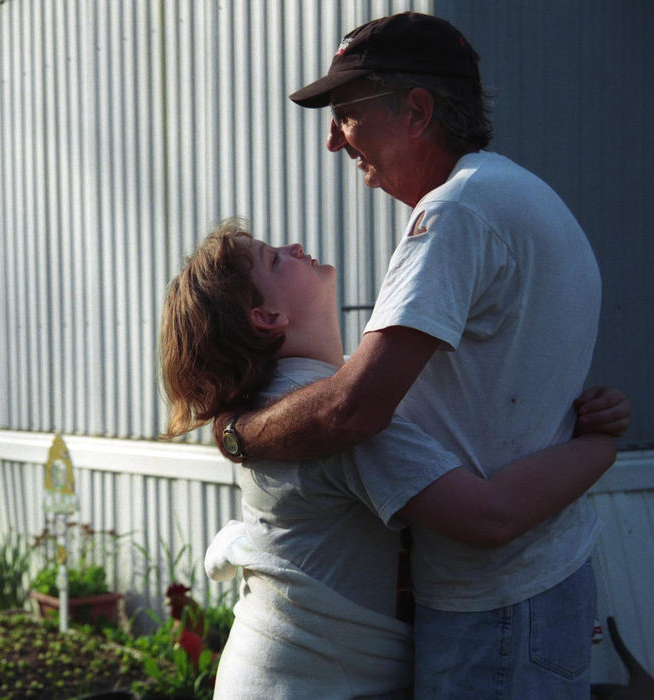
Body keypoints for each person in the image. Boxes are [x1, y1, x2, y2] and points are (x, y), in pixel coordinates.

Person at [212, 12, 630, 698]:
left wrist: (238, 434)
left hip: (494, 606)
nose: (331, 139)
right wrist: (596, 444)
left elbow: (354, 408)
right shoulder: (507, 194)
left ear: (414, 111)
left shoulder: (455, 213)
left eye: (346, 114)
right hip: (530, 585)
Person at [160, 221, 622, 699]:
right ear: (267, 315)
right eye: (274, 259)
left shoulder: (293, 402)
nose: (294, 247)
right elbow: (491, 515)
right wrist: (598, 445)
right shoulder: (335, 420)